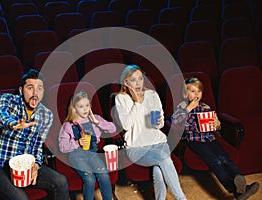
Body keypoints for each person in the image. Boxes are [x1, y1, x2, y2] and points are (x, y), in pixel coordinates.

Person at [0, 69, 69, 200]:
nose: (35, 93)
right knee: (21, 198)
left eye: (39, 89)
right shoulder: (6, 99)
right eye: (30, 88)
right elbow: (1, 115)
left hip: (24, 166)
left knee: (60, 181)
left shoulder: (46, 115)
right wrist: (13, 124)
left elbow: (38, 146)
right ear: (21, 90)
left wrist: (36, 165)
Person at [171, 77, 260, 200]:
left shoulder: (205, 107)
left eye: (199, 91)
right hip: (196, 141)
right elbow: (175, 122)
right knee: (216, 161)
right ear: (185, 93)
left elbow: (214, 126)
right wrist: (189, 108)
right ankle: (233, 189)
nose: (196, 94)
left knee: (225, 158)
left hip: (210, 138)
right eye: (192, 91)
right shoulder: (182, 107)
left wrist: (217, 124)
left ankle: (241, 184)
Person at [113, 65, 186, 200]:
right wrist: (137, 103)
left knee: (159, 168)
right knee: (163, 159)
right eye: (133, 80)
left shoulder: (152, 95)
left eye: (140, 78)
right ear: (125, 82)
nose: (138, 83)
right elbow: (126, 125)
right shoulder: (121, 99)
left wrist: (158, 122)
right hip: (136, 148)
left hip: (159, 143)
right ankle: (181, 198)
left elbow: (161, 123)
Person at [58, 90, 116, 200]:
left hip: (92, 154)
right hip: (76, 155)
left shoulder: (95, 119)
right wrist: (77, 142)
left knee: (103, 174)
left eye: (87, 105)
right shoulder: (68, 125)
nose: (85, 109)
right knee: (89, 178)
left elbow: (113, 129)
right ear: (74, 109)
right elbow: (62, 147)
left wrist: (97, 122)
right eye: (81, 106)